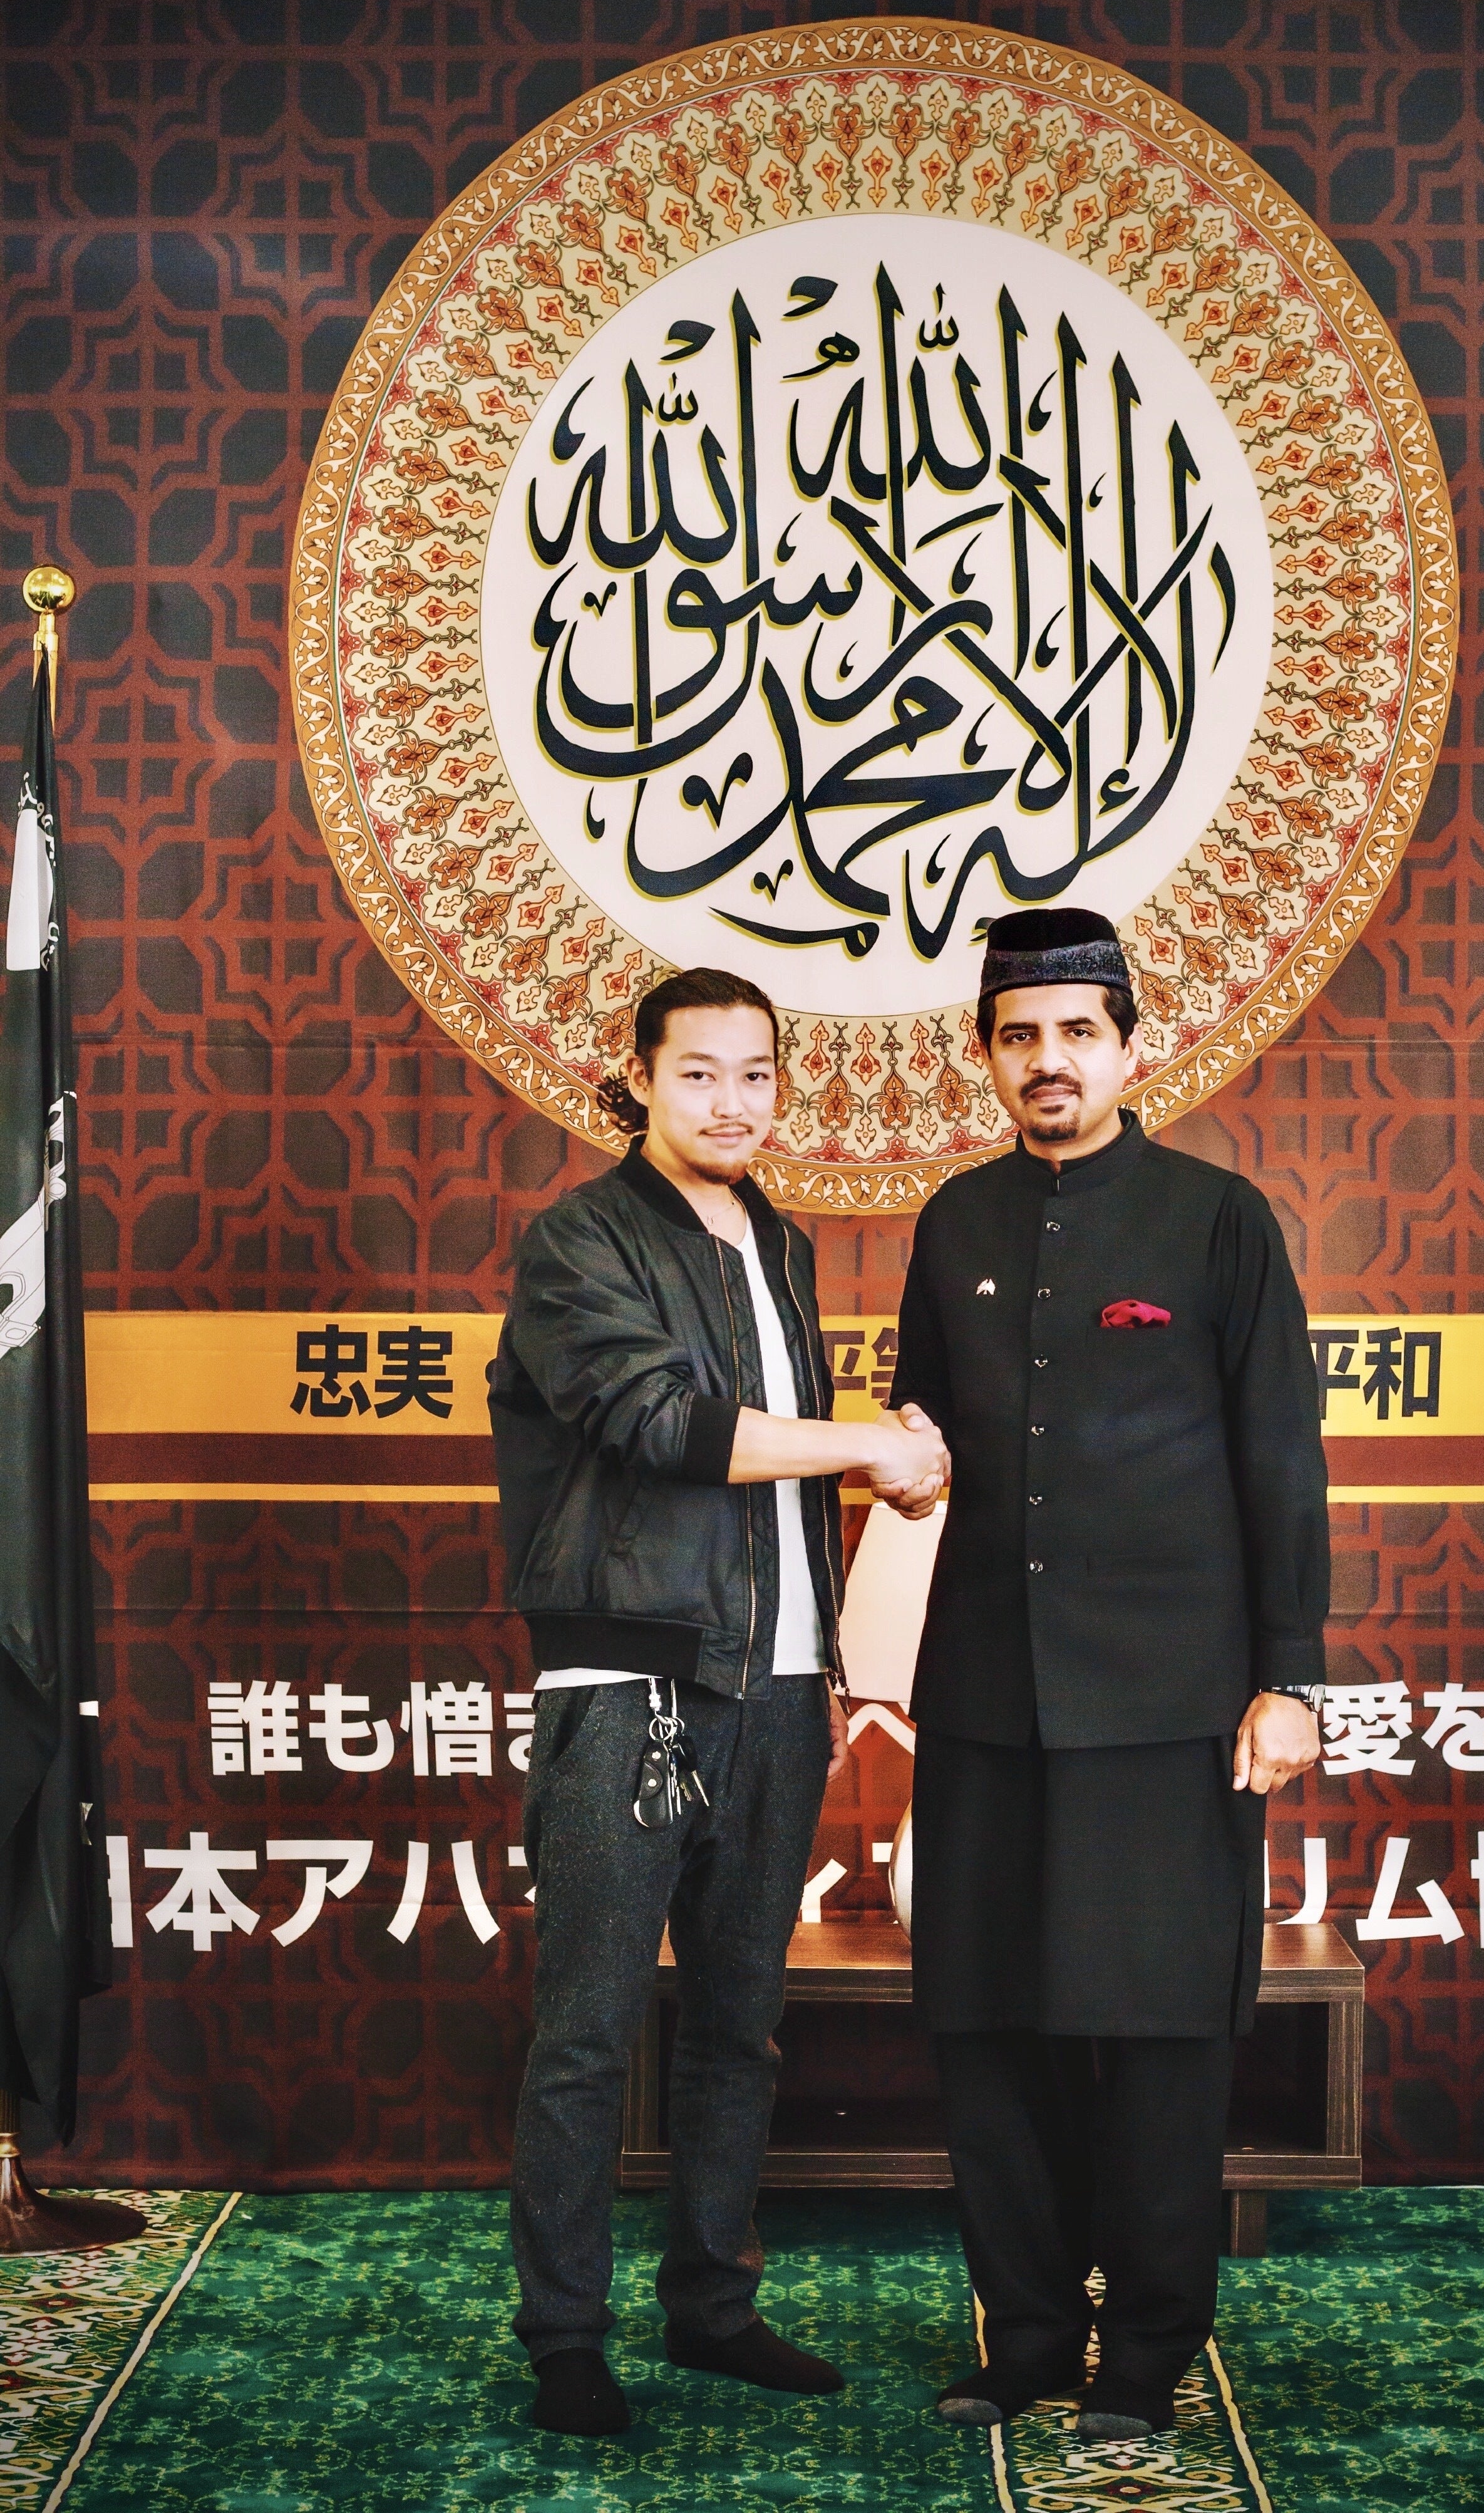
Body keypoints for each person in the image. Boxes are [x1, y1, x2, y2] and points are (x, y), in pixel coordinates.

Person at [884, 905, 1328, 2442]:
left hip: (1172, 1706)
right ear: (987, 1059)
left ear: (1133, 1048)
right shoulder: (953, 1222)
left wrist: (1290, 1679)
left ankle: (1142, 2355)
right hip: (985, 1700)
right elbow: (920, 1444)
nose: (1049, 1060)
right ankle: (1021, 2342)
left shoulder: (1218, 1221)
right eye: (1019, 1037)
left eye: (1078, 1031)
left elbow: (1283, 1463)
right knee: (986, 2027)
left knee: (1159, 2039)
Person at [489, 965, 947, 2438]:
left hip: (779, 1683)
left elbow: (774, 1471)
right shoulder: (581, 1240)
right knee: (589, 2032)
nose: (732, 1101)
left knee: (739, 2026)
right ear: (638, 1078)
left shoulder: (781, 1242)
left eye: (756, 1073)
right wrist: (864, 1447)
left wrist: (868, 1522)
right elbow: (664, 1427)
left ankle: (714, 2306)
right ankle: (566, 2338)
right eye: (699, 1072)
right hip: (633, 1682)